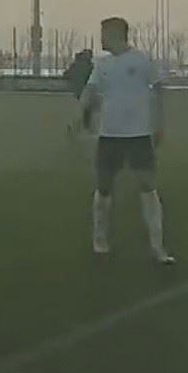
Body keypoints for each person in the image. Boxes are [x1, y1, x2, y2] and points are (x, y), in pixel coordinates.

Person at [77, 17, 175, 264]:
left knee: (148, 186)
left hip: (138, 135)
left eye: (104, 33)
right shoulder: (102, 64)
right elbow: (91, 91)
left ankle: (158, 247)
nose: (100, 38)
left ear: (116, 34)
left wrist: (159, 124)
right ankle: (100, 240)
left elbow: (158, 90)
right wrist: (86, 107)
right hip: (109, 135)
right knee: (104, 187)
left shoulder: (141, 60)